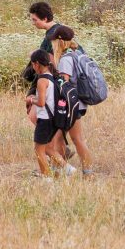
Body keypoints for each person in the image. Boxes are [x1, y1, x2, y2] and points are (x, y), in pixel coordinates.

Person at [47, 26, 94, 175]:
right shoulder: (77, 53)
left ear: (60, 41)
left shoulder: (65, 59)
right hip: (77, 104)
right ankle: (72, 171)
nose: (53, 44)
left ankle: (71, 171)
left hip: (70, 106)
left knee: (66, 140)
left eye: (54, 41)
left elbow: (65, 84)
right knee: (67, 138)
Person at [26, 49, 71, 176]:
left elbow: (40, 102)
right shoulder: (51, 76)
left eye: (32, 64)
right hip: (53, 119)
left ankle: (47, 176)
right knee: (48, 148)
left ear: (36, 64)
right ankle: (69, 170)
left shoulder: (41, 80)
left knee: (38, 150)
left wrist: (30, 99)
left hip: (45, 119)